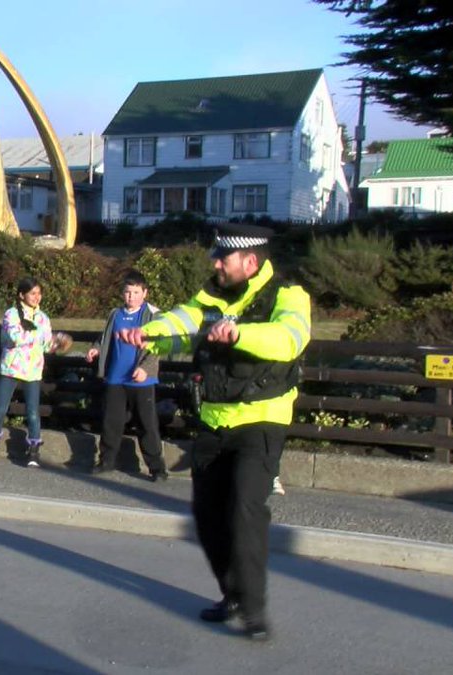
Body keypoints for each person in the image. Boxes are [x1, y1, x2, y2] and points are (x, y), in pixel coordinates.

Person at [116, 223, 311, 641]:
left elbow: (289, 339)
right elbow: (182, 325)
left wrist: (241, 332)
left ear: (250, 261)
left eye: (223, 258)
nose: (216, 263)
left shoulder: (287, 296)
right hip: (213, 420)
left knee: (245, 509)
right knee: (206, 517)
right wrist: (148, 335)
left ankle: (254, 610)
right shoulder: (210, 296)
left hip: (262, 417)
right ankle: (232, 593)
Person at [86, 270, 169, 481]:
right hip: (116, 377)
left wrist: (146, 369)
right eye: (127, 292)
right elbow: (106, 337)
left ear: (144, 293)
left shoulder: (152, 315)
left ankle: (157, 468)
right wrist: (96, 348)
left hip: (141, 379)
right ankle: (106, 461)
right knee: (111, 422)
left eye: (135, 292)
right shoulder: (116, 314)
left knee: (146, 425)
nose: (131, 296)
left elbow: (157, 346)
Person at [0, 277, 70, 467]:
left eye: (39, 293)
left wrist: (56, 343)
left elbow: (45, 345)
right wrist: (41, 335)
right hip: (11, 367)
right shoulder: (11, 314)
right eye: (32, 293)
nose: (37, 297)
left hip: (33, 370)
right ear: (22, 295)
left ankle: (34, 448)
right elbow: (15, 336)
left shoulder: (43, 318)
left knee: (33, 412)